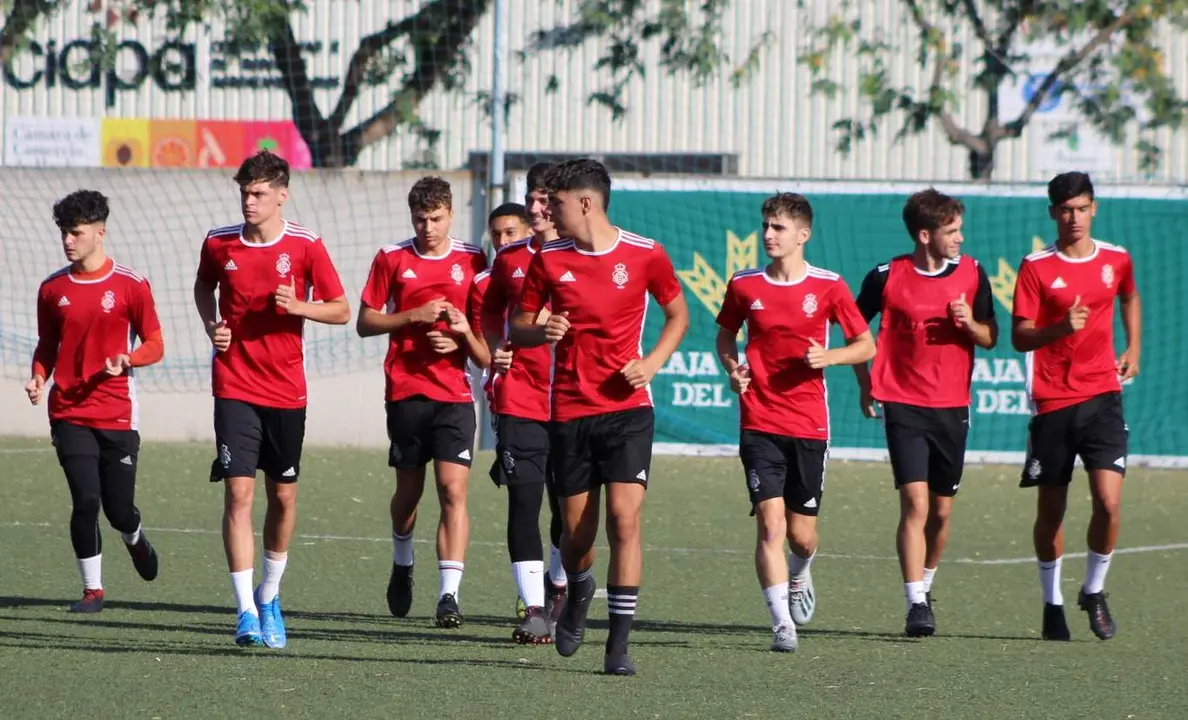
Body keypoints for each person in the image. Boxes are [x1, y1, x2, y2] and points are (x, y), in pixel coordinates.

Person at [511, 158, 689, 676]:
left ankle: (618, 646)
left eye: (555, 203)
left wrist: (652, 363)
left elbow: (678, 315)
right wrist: (540, 331)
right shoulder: (547, 260)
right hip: (569, 412)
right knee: (577, 540)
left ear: (585, 203)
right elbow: (519, 325)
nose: (546, 211)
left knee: (625, 520)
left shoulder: (644, 254)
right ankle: (581, 587)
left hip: (629, 413)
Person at [194, 151, 351, 648]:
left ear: (282, 194)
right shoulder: (219, 244)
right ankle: (243, 611)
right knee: (238, 495)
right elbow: (203, 288)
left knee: (282, 498)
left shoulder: (305, 246)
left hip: (286, 391)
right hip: (234, 386)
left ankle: (269, 595)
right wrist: (211, 326)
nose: (249, 200)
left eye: (259, 192)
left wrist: (299, 306)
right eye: (244, 191)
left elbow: (343, 309)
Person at [716, 192, 874, 653]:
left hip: (809, 425)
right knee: (770, 525)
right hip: (759, 422)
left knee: (802, 537)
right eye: (766, 225)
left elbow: (866, 345)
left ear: (802, 235)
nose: (768, 234)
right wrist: (733, 368)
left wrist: (832, 356)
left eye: (779, 227)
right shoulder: (744, 285)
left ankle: (802, 573)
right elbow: (726, 335)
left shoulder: (829, 286)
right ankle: (782, 622)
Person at [852, 188, 998, 637]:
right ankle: (916, 602)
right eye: (951, 231)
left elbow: (991, 335)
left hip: (952, 407)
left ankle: (928, 582)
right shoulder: (885, 276)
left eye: (959, 229)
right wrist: (865, 385)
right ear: (924, 234)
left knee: (941, 512)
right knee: (914, 503)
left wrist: (967, 323)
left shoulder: (973, 273)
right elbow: (857, 332)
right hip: (904, 403)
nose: (960, 238)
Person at [1011, 171, 1140, 642]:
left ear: (1094, 208)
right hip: (1053, 401)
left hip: (1104, 395)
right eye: (1065, 210)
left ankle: (1094, 589)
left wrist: (1133, 349)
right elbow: (1019, 335)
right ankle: (1052, 603)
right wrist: (1060, 329)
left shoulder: (1116, 259)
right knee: (1052, 510)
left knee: (1108, 503)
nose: (1074, 217)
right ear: (1052, 213)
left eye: (1081, 208)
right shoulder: (1036, 267)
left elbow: (1129, 295)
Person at [357, 176, 489, 628]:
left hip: (454, 395)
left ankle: (448, 596)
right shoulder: (391, 258)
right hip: (407, 391)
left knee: (453, 491)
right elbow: (365, 321)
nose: (427, 227)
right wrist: (412, 315)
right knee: (408, 496)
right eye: (419, 218)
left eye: (435, 218)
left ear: (450, 213)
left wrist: (461, 342)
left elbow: (482, 333)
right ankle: (402, 559)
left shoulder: (474, 259)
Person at [28, 189, 164, 614]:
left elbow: (156, 343)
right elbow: (47, 344)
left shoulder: (131, 285)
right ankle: (93, 591)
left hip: (117, 412)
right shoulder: (52, 289)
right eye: (64, 233)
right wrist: (38, 377)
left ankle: (135, 538)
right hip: (69, 410)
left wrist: (129, 359)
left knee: (119, 509)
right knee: (86, 500)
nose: (68, 240)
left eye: (76, 232)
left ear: (99, 233)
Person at [475, 167, 567, 644]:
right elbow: (489, 312)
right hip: (519, 397)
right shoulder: (510, 258)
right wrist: (498, 348)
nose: (535, 208)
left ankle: (559, 581)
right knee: (524, 499)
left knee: (568, 511)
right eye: (531, 199)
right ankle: (533, 609)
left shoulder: (585, 258)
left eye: (545, 199)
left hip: (574, 401)